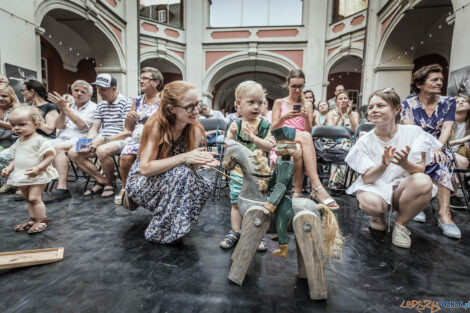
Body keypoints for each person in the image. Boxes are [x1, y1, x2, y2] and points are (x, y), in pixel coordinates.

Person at [123, 80, 218, 243]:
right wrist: (184, 157)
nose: (196, 111)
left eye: (198, 104)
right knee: (182, 172)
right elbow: (145, 169)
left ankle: (175, 224)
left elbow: (191, 169)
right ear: (171, 109)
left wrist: (198, 161)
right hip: (141, 182)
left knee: (203, 184)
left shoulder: (194, 128)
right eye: (189, 106)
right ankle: (159, 232)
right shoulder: (156, 126)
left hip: (170, 178)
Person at [346, 89, 438, 248]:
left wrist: (405, 164)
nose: (374, 110)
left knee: (424, 182)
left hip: (402, 189)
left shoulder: (414, 133)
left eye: (380, 106)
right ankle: (378, 215)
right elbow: (367, 178)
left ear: (396, 109)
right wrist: (383, 165)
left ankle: (401, 225)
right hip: (375, 186)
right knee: (371, 203)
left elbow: (420, 170)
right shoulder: (364, 141)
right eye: (371, 107)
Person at [401, 64, 461, 239]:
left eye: (441, 80)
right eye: (434, 80)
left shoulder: (448, 102)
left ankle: (445, 215)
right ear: (420, 84)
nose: (439, 83)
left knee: (442, 159)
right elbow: (411, 131)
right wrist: (426, 150)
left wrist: (436, 148)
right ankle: (418, 203)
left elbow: (447, 130)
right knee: (417, 158)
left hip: (439, 146)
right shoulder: (408, 104)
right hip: (415, 145)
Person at [219, 80, 275, 250]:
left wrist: (254, 139)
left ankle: (257, 233)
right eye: (251, 102)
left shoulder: (265, 126)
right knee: (236, 203)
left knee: (258, 205)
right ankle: (236, 231)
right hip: (237, 172)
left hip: (258, 174)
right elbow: (228, 145)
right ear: (238, 104)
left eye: (260, 103)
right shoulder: (235, 125)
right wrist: (232, 137)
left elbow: (270, 145)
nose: (256, 107)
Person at [271, 69, 339, 209]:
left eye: (300, 86)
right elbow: (273, 129)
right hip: (281, 142)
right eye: (293, 86)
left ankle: (297, 192)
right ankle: (316, 186)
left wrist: (305, 117)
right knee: (305, 138)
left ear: (304, 85)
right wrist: (285, 117)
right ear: (287, 85)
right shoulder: (279, 102)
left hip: (300, 142)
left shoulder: (307, 104)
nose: (296, 90)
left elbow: (307, 130)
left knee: (300, 150)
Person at [68, 74, 132, 198]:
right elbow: (94, 128)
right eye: (98, 88)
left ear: (113, 88)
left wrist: (104, 140)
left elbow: (127, 132)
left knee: (102, 150)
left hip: (120, 138)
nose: (100, 92)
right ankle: (101, 180)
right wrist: (87, 141)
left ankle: (110, 182)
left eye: (103, 89)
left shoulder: (126, 102)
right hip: (103, 138)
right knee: (73, 152)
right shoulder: (101, 105)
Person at [1, 106, 58, 233]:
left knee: (34, 198)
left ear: (36, 123)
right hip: (22, 174)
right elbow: (16, 157)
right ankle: (33, 218)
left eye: (21, 124)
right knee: (28, 199)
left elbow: (50, 156)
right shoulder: (19, 141)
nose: (16, 128)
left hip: (37, 175)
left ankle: (42, 219)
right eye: (13, 125)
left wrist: (39, 168)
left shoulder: (39, 140)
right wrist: (9, 168)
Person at [43, 80, 97, 203]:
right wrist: (62, 110)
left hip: (81, 139)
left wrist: (65, 108)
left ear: (89, 95)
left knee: (58, 148)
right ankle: (33, 184)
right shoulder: (69, 106)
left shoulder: (93, 108)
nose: (78, 93)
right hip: (62, 138)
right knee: (38, 146)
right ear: (72, 91)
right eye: (76, 90)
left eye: (83, 92)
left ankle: (62, 188)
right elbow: (59, 125)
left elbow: (81, 125)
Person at [115, 67, 161, 205]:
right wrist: (129, 117)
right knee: (125, 157)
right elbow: (129, 128)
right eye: (140, 78)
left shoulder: (164, 99)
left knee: (148, 158)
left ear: (156, 82)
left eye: (145, 78)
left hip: (156, 138)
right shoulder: (138, 100)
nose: (141, 81)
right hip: (138, 138)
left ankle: (150, 189)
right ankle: (126, 188)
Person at [327, 91, 360, 190]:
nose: (343, 100)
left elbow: (356, 131)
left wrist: (349, 115)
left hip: (351, 141)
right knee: (345, 146)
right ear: (336, 101)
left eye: (345, 98)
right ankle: (347, 183)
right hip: (335, 142)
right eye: (340, 99)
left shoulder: (354, 114)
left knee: (348, 145)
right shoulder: (331, 114)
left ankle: (336, 182)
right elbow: (329, 131)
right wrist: (338, 117)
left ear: (349, 100)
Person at [449, 94, 470, 207]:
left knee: (462, 159)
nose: (461, 102)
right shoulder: (447, 121)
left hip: (460, 152)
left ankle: (452, 193)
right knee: (462, 161)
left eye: (464, 101)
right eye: (457, 101)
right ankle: (452, 194)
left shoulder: (468, 124)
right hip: (444, 150)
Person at [0, 84, 19, 193]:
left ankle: (9, 182)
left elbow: (17, 128)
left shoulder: (17, 111)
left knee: (2, 156)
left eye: (4, 96)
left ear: (11, 97)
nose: (0, 98)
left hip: (15, 143)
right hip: (1, 144)